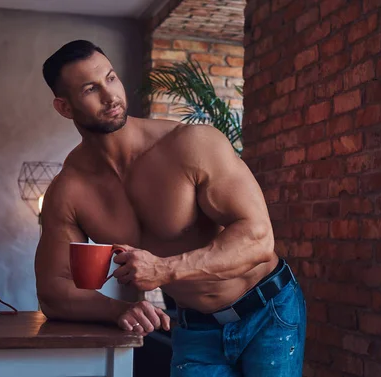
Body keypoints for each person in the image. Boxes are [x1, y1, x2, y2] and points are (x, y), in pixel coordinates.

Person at [34, 40, 306, 377]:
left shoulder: (191, 145)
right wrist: (119, 310)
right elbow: (53, 290)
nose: (110, 96)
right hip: (194, 326)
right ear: (64, 107)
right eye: (91, 89)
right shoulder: (69, 190)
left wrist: (165, 269)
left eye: (111, 78)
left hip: (267, 309)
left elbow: (258, 238)